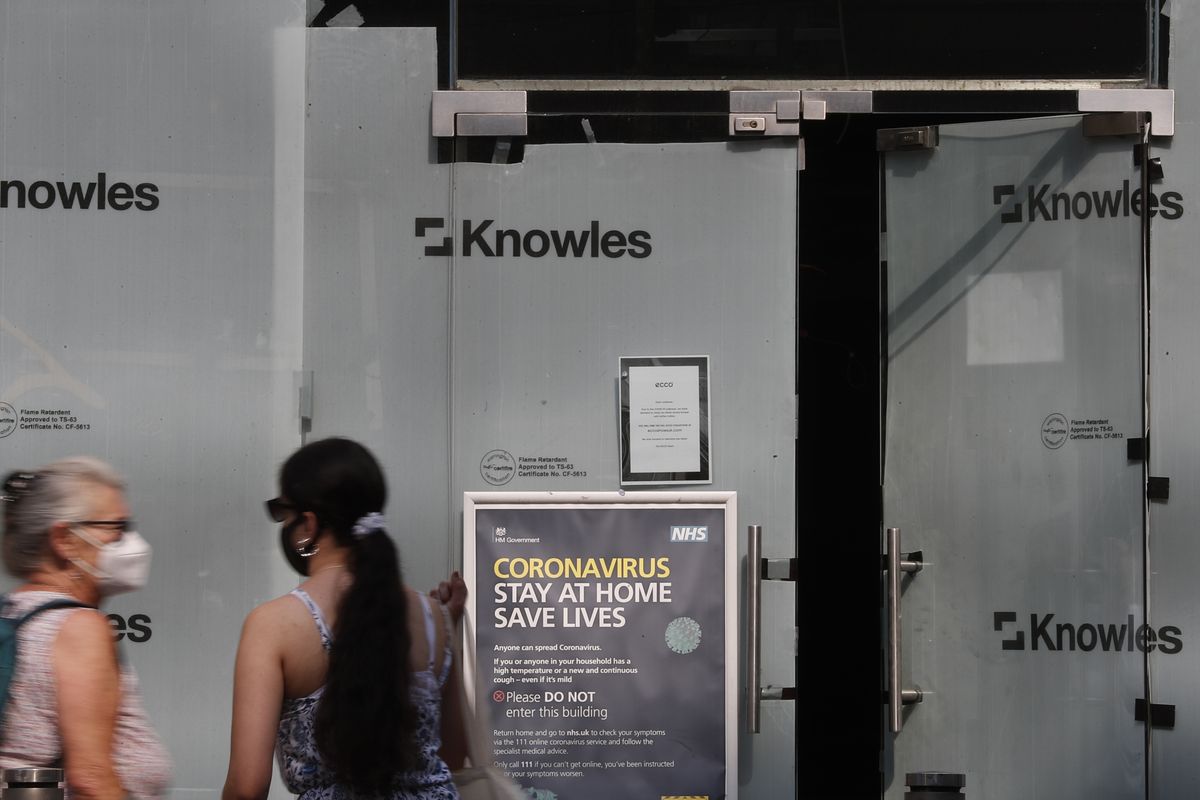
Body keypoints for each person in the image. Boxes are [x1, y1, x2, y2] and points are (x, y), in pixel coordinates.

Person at [222, 437, 467, 800]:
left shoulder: (274, 625)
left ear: (308, 524)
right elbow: (453, 756)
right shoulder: (435, 620)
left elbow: (246, 788)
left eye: (283, 514)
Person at [0, 458, 171, 800]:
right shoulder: (79, 629)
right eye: (117, 528)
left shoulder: (13, 613)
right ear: (64, 539)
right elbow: (91, 780)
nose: (131, 542)